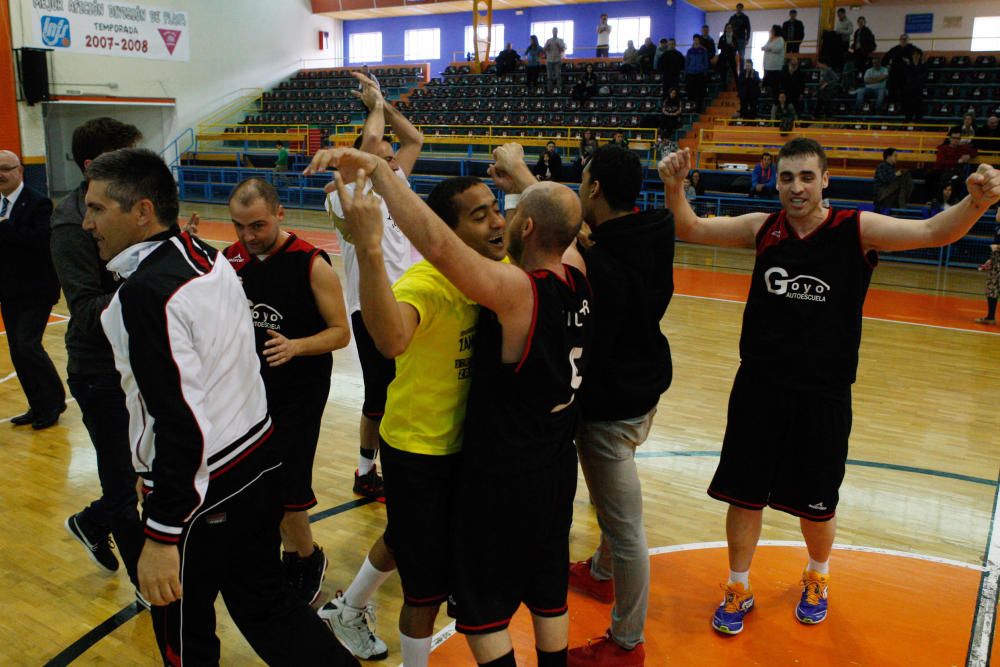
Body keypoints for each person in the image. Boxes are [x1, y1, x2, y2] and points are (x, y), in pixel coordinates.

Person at [656, 138, 1000, 637]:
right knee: (744, 495)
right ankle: (737, 585)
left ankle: (817, 576)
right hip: (758, 387)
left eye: (806, 177)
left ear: (825, 181)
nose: (796, 188)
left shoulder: (855, 230)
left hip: (824, 394)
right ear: (776, 181)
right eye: (787, 178)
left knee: (818, 502)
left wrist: (978, 202)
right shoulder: (762, 228)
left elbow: (931, 231)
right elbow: (689, 227)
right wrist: (673, 186)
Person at [83, 147, 358, 666]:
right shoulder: (204, 254)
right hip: (257, 463)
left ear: (142, 211)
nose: (86, 221)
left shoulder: (146, 295)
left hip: (200, 491)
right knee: (268, 606)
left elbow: (178, 420)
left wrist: (163, 532)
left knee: (184, 635)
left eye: (97, 208)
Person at [316, 173, 508, 665]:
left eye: (495, 208)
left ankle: (350, 607)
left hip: (465, 446)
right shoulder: (425, 282)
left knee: (404, 536)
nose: (496, 222)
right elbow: (393, 340)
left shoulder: (497, 266)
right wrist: (371, 247)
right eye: (479, 214)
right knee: (424, 590)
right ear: (446, 231)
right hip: (417, 450)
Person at [566, 144, 676, 667]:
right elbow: (605, 248)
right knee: (612, 508)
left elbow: (591, 257)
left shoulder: (600, 262)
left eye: (582, 179)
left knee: (626, 527)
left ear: (594, 189)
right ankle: (602, 573)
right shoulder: (654, 230)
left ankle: (627, 643)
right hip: (645, 391)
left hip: (611, 409)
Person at [223, 178, 351, 604]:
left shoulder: (311, 263)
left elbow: (340, 333)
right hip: (251, 389)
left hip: (301, 388)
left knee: (288, 481)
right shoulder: (232, 259)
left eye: (257, 225)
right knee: (262, 479)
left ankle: (307, 557)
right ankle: (293, 552)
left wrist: (296, 346)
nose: (247, 236)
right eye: (239, 226)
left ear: (279, 214)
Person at [53, 118, 146, 587]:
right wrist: (146, 287)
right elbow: (86, 309)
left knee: (141, 468)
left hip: (135, 364)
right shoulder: (72, 225)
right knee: (121, 482)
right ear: (93, 166)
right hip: (99, 373)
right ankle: (147, 585)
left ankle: (93, 520)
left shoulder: (127, 209)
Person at [331, 72, 424, 501]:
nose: (389, 162)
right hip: (370, 306)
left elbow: (415, 139)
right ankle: (369, 471)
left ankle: (371, 470)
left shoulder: (394, 182)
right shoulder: (344, 195)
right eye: (381, 158)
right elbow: (370, 147)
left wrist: (384, 108)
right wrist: (374, 106)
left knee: (399, 392)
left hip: (410, 300)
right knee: (378, 396)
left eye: (390, 159)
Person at [0, 150, 64, 430]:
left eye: (5, 168)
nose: (0, 174)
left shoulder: (39, 204)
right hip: (8, 290)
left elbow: (41, 241)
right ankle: (37, 404)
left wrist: (4, 229)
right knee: (17, 350)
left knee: (28, 345)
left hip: (36, 289)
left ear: (20, 171)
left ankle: (54, 402)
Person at [974, 208, 1000, 325]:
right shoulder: (998, 228)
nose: (998, 213)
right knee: (992, 287)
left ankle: (990, 317)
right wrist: (991, 259)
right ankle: (990, 317)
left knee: (993, 287)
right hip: (997, 259)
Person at [685, 36, 709, 113]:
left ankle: (698, 109)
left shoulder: (703, 50)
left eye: (697, 40)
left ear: (699, 41)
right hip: (690, 73)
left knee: (699, 93)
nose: (696, 41)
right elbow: (687, 62)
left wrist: (704, 70)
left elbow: (706, 62)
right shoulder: (689, 51)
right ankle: (690, 109)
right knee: (690, 92)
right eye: (695, 40)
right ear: (693, 41)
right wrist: (687, 71)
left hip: (700, 74)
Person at [761, 26, 786, 96]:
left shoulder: (780, 39)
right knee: (767, 86)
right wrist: (767, 48)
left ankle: (776, 102)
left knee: (775, 87)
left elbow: (776, 49)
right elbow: (764, 47)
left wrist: (767, 48)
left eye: (772, 30)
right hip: (767, 66)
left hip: (775, 67)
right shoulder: (770, 39)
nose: (771, 31)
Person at [544, 28, 567, 94]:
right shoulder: (548, 40)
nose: (554, 32)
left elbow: (563, 50)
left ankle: (559, 90)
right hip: (549, 60)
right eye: (553, 31)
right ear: (552, 32)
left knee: (558, 76)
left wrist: (558, 46)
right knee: (549, 76)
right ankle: (549, 90)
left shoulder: (560, 40)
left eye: (555, 31)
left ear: (557, 32)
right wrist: (547, 47)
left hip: (557, 60)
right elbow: (544, 49)